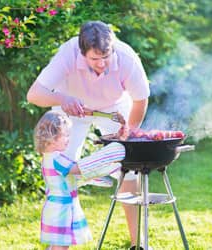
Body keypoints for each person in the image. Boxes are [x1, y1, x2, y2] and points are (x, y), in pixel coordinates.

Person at [27, 20, 150, 249]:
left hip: (114, 108)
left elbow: (141, 99)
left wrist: (129, 130)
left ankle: (138, 243)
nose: (102, 64)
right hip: (72, 106)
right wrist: (62, 99)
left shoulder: (126, 58)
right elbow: (34, 94)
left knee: (130, 171)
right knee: (60, 172)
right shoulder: (67, 53)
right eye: (95, 59)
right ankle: (59, 241)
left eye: (106, 57)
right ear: (81, 51)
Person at [34, 110, 125, 250]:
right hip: (61, 211)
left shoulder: (49, 157)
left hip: (58, 207)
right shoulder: (57, 159)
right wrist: (109, 158)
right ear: (52, 136)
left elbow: (74, 176)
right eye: (66, 135)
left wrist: (99, 175)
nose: (69, 139)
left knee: (57, 245)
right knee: (61, 247)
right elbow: (79, 169)